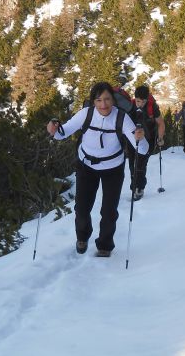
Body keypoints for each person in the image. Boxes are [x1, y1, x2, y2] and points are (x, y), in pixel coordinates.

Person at [47, 82, 148, 257]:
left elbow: (143, 149)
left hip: (113, 168)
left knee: (109, 211)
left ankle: (105, 245)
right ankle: (82, 237)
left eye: (107, 99)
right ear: (93, 101)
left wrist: (141, 138)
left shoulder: (121, 118)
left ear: (113, 100)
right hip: (86, 166)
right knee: (81, 209)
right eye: (99, 100)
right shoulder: (86, 114)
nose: (103, 104)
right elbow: (62, 133)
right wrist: (53, 129)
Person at [129, 85, 166, 201]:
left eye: (143, 101)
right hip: (132, 138)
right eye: (138, 101)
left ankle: (139, 188)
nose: (140, 104)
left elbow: (161, 123)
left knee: (140, 164)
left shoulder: (152, 107)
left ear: (147, 99)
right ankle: (134, 187)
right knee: (131, 164)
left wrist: (160, 138)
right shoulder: (131, 106)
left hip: (149, 139)